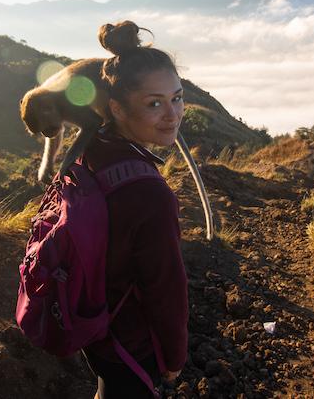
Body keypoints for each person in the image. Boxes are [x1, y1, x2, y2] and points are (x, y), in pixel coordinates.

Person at [80, 21, 189, 398]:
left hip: (88, 320)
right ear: (116, 108)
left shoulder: (92, 151)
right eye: (154, 103)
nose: (172, 115)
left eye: (177, 97)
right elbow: (166, 289)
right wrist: (175, 356)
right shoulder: (151, 195)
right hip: (127, 340)